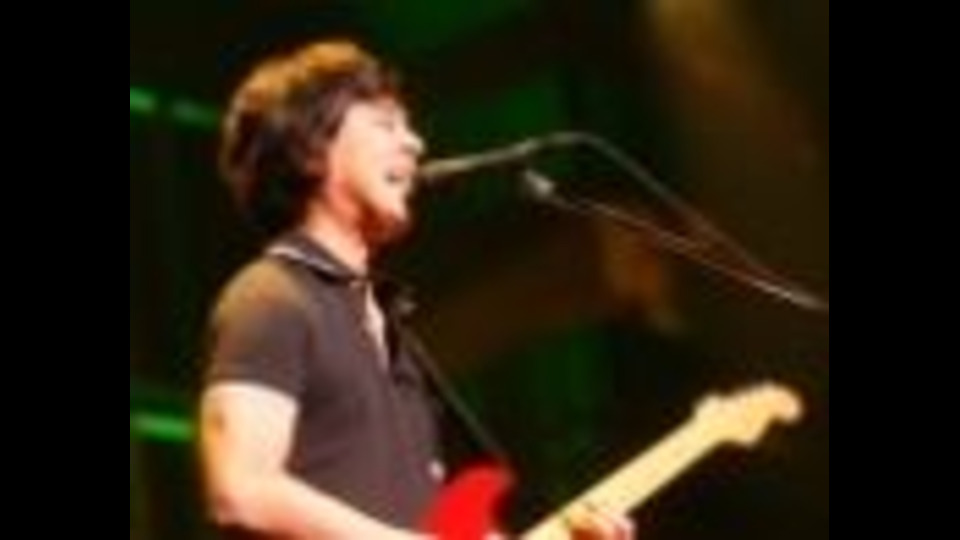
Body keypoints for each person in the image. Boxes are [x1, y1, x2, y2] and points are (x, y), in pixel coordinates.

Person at [197, 38, 634, 540]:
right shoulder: (270, 299)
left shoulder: (391, 334)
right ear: (311, 150)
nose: (416, 144)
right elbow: (242, 492)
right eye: (386, 124)